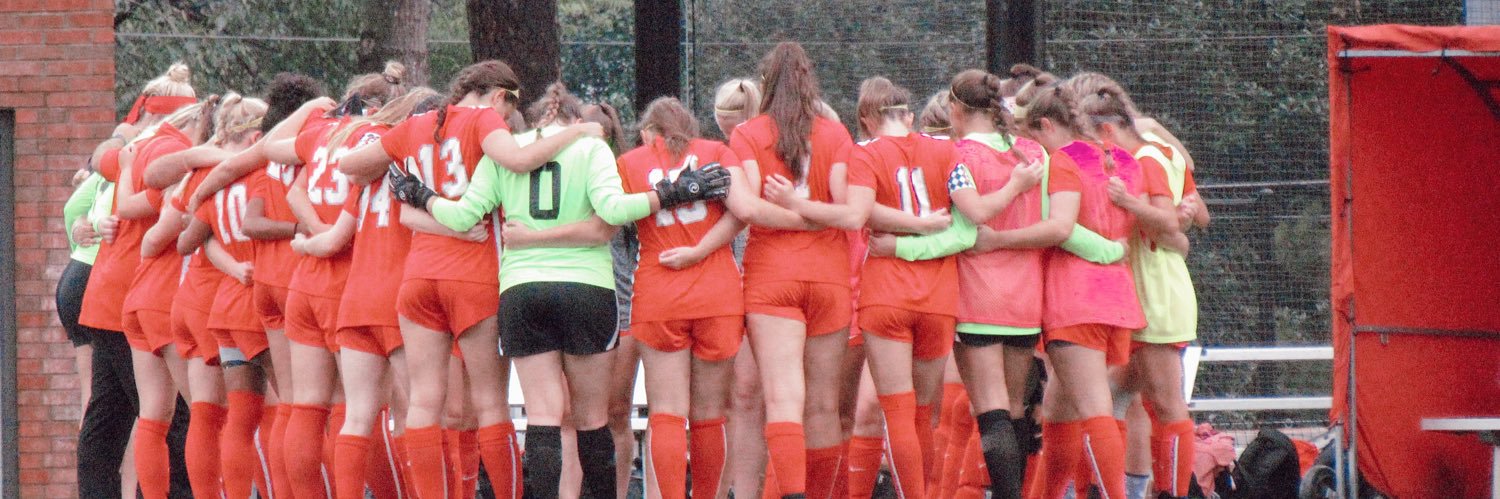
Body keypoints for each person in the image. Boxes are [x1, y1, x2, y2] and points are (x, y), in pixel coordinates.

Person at [390, 80, 728, 498]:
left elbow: (462, 218)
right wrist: (671, 193)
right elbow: (613, 211)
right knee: (591, 417)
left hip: (523, 289)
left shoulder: (508, 151)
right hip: (587, 290)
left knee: (543, 415)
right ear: (572, 118)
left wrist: (422, 196)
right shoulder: (590, 147)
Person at [336, 61, 607, 499]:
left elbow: (351, 164)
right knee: (489, 404)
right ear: (498, 96)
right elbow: (519, 160)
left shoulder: (417, 123)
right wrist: (576, 132)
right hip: (474, 276)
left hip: (419, 277)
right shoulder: (482, 119)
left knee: (424, 403)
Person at [284, 87, 447, 499]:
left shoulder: (369, 174)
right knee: (423, 415)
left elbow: (332, 240)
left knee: (356, 417)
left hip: (355, 300)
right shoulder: (423, 170)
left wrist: (301, 244)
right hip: (401, 303)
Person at [258, 62, 409, 499]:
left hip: (304, 281)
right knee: (363, 410)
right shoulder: (379, 140)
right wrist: (329, 237)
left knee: (306, 405)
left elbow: (279, 163)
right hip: (350, 279)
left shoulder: (325, 133)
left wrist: (314, 232)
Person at [723, 42, 864, 499]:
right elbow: (848, 213)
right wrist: (811, 213)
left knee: (784, 399)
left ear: (764, 84)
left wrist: (789, 209)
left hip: (772, 278)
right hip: (829, 278)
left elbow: (746, 208)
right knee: (823, 406)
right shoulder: (834, 134)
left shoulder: (746, 134)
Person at [1067, 73, 1207, 499]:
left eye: (1093, 138)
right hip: (1140, 289)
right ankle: (1107, 487)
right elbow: (1193, 215)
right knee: (1107, 399)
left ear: (1107, 128)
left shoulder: (1145, 157)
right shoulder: (1157, 149)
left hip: (1157, 290)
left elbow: (1175, 220)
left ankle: (1173, 491)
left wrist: (1152, 217)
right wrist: (1177, 228)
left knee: (1165, 404)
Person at [76, 63, 199, 499]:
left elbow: (93, 168)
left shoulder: (129, 151)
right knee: (170, 417)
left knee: (108, 418)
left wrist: (89, 223)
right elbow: (140, 207)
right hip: (133, 295)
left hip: (103, 294)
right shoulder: (174, 155)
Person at [618, 96, 744, 499]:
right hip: (717, 291)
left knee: (667, 413)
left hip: (660, 290)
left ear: (647, 131)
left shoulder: (631, 162)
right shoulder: (716, 151)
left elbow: (614, 216)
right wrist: (701, 250)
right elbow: (740, 213)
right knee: (709, 416)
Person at [159, 93, 269, 498]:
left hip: (198, 302)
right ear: (257, 135)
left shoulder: (203, 177)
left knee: (207, 415)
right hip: (232, 301)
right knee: (267, 414)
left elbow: (178, 239)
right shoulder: (259, 175)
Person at [710, 77, 772, 499]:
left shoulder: (770, 147)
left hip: (769, 279)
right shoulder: (720, 157)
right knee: (744, 396)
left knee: (762, 399)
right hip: (740, 283)